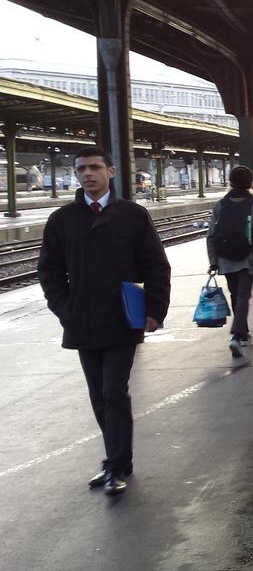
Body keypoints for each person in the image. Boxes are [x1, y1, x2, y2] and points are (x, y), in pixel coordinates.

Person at [37, 145, 171, 495]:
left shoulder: (133, 215)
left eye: (94, 167)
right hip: (81, 320)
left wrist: (155, 311)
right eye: (81, 168)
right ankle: (118, 461)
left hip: (121, 319)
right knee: (98, 394)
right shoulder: (62, 220)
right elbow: (49, 271)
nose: (87, 174)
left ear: (111, 171)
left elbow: (157, 266)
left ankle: (115, 465)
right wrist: (63, 308)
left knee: (114, 390)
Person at [206, 165, 253, 358]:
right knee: (243, 295)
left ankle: (242, 332)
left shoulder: (220, 205)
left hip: (225, 259)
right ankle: (236, 335)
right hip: (247, 259)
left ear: (230, 182)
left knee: (236, 294)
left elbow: (211, 236)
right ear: (250, 182)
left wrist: (213, 262)